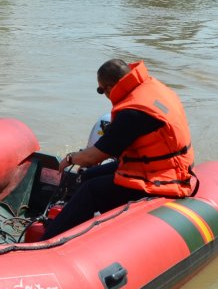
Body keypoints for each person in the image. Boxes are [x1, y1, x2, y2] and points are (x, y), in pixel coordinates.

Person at [31, 59, 196, 240]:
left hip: (162, 178)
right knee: (88, 176)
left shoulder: (133, 112)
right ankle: (76, 225)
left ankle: (47, 241)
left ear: (109, 88)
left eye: (101, 90)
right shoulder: (149, 88)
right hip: (161, 166)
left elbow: (92, 157)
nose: (104, 95)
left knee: (91, 190)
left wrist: (70, 158)